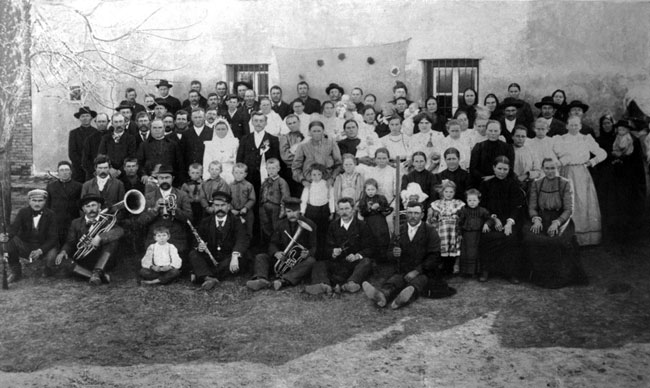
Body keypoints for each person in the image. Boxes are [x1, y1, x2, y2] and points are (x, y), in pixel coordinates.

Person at [362, 201, 440, 309]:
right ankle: (382, 296)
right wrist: (394, 254)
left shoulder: (430, 231)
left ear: (422, 215)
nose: (413, 216)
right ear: (406, 214)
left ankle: (403, 299)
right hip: (403, 270)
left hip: (423, 271)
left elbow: (434, 257)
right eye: (410, 213)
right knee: (394, 282)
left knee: (416, 284)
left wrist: (417, 271)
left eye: (416, 213)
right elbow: (389, 253)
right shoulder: (400, 230)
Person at [523, 158, 587, 288]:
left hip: (560, 219)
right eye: (547, 168)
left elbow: (569, 209)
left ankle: (560, 276)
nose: (550, 171)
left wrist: (557, 223)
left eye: (553, 168)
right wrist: (535, 219)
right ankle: (539, 275)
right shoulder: (537, 183)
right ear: (542, 169)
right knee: (532, 237)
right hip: (541, 218)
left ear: (557, 168)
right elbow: (532, 207)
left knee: (557, 240)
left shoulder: (565, 183)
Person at [553, 116, 606, 246]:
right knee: (568, 202)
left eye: (576, 125)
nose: (574, 127)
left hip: (582, 173)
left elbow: (602, 153)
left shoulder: (586, 138)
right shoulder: (560, 139)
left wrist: (592, 162)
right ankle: (566, 237)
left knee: (582, 202)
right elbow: (553, 154)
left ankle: (585, 239)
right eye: (571, 125)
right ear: (566, 126)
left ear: (580, 126)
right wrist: (558, 163)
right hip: (565, 172)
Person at [306, 197, 374, 295]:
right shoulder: (333, 226)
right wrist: (332, 252)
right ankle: (323, 285)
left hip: (354, 264)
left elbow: (370, 248)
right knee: (319, 264)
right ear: (337, 211)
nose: (344, 212)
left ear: (353, 209)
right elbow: (326, 248)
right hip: (337, 263)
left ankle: (351, 283)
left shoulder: (362, 225)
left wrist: (356, 256)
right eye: (341, 209)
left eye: (347, 208)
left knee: (366, 262)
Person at [246, 197, 317, 291]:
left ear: (300, 210)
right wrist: (276, 253)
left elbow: (314, 246)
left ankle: (283, 281)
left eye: (295, 211)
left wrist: (308, 253)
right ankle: (261, 279)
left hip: (298, 263)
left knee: (311, 261)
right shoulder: (280, 224)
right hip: (283, 259)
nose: (292, 214)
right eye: (289, 211)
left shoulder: (310, 224)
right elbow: (273, 243)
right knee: (261, 257)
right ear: (285, 211)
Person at [52, 194, 124, 285]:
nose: (91, 209)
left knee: (113, 241)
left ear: (99, 206)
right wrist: (63, 251)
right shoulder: (76, 223)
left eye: (93, 205)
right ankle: (95, 276)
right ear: (83, 209)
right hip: (84, 260)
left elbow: (119, 231)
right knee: (61, 260)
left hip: (101, 258)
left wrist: (99, 237)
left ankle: (98, 271)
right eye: (88, 206)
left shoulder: (106, 220)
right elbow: (70, 242)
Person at [189, 191, 250, 290]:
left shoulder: (236, 221)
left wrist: (235, 256)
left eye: (223, 205)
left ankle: (202, 275)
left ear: (229, 206)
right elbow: (197, 240)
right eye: (217, 205)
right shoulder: (206, 221)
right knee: (193, 254)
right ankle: (209, 278)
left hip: (228, 257)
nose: (220, 208)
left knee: (241, 258)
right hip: (211, 256)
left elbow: (242, 240)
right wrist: (200, 246)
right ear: (213, 206)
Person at [478, 156, 524, 283]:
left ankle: (510, 272)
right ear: (493, 168)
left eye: (505, 169)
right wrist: (494, 219)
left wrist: (509, 223)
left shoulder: (514, 184)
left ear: (509, 169)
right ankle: (486, 270)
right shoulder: (486, 184)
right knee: (488, 236)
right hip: (491, 218)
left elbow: (517, 206)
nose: (502, 172)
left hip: (510, 219)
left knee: (511, 237)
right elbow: (483, 206)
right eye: (499, 168)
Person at [602, 120, 647, 242]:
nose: (621, 130)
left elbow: (636, 161)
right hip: (618, 176)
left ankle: (632, 233)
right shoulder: (615, 139)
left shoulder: (634, 141)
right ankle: (618, 232)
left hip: (630, 177)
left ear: (628, 129)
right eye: (619, 128)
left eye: (623, 128)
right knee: (618, 203)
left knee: (630, 203)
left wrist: (623, 161)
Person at [0, 189, 58, 283]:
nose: (37, 203)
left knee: (52, 255)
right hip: (26, 245)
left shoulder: (51, 215)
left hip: (43, 247)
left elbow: (53, 238)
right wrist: (6, 236)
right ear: (29, 201)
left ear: (45, 201)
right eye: (34, 200)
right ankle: (16, 272)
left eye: (40, 201)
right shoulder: (23, 212)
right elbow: (14, 228)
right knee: (9, 242)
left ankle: (48, 269)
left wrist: (40, 250)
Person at [137, 165, 192, 258]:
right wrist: (155, 209)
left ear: (173, 178)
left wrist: (174, 210)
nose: (164, 180)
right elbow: (141, 221)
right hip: (155, 238)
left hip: (176, 238)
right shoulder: (149, 196)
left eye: (167, 178)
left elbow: (189, 218)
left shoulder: (182, 195)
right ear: (157, 179)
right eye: (161, 178)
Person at [427, 180, 464, 275]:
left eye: (451, 192)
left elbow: (462, 216)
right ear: (442, 192)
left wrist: (458, 218)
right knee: (442, 247)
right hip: (442, 229)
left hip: (453, 230)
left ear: (454, 192)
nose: (448, 194)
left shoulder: (458, 203)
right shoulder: (437, 204)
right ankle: (442, 267)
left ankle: (451, 267)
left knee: (452, 247)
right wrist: (433, 217)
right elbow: (433, 218)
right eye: (446, 191)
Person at [292, 120, 342, 186]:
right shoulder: (303, 146)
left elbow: (339, 164)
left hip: (327, 181)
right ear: (309, 132)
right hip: (309, 181)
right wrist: (303, 180)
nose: (316, 133)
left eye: (319, 131)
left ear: (323, 131)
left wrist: (332, 178)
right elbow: (296, 167)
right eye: (314, 131)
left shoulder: (331, 144)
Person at [300, 163, 335, 260]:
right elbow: (304, 199)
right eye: (314, 175)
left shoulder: (327, 184)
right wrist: (302, 212)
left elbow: (331, 198)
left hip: (324, 211)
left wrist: (332, 212)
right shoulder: (309, 185)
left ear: (322, 174)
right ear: (310, 175)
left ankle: (322, 254)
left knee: (322, 233)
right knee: (312, 233)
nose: (316, 177)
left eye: (319, 174)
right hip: (312, 211)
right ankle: (312, 255)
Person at [137, 118, 184, 187]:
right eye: (154, 128)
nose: (157, 130)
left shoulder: (173, 145)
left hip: (170, 180)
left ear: (164, 129)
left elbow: (179, 164)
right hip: (150, 181)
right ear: (150, 129)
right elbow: (139, 163)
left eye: (160, 127)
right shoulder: (144, 145)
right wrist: (143, 175)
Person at [46, 161, 83, 245]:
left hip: (72, 221)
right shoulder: (51, 186)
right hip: (56, 222)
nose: (64, 172)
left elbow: (81, 205)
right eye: (61, 170)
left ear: (71, 172)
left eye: (67, 170)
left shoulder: (79, 186)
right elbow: (47, 205)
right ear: (58, 172)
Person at [469, 120, 514, 187]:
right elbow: (473, 169)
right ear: (486, 131)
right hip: (482, 182)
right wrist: (484, 178)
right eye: (490, 130)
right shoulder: (479, 147)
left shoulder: (507, 148)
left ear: (500, 131)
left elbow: (510, 168)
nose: (493, 133)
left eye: (496, 131)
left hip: (502, 182)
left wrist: (494, 177)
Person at [457, 189, 491, 277]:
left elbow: (489, 219)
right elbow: (459, 223)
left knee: (475, 252)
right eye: (469, 200)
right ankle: (466, 271)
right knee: (466, 252)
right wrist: (459, 233)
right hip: (466, 235)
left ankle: (475, 272)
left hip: (477, 235)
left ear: (479, 200)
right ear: (466, 201)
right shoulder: (464, 211)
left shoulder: (482, 211)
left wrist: (487, 224)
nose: (472, 202)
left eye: (474, 200)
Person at [358, 178, 391, 261]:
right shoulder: (363, 200)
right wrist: (369, 209)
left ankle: (383, 258)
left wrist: (379, 208)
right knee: (371, 239)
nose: (370, 192)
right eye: (368, 189)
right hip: (369, 222)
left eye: (373, 189)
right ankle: (372, 258)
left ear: (376, 189)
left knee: (381, 238)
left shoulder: (381, 198)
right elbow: (362, 213)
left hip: (380, 223)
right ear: (365, 190)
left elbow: (387, 209)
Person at [259, 158, 290, 243]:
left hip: (276, 208)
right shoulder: (265, 182)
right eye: (269, 168)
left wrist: (283, 210)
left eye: (273, 168)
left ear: (278, 169)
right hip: (265, 207)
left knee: (276, 226)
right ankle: (267, 244)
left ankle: (276, 244)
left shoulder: (281, 182)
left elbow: (285, 196)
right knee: (265, 225)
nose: (271, 170)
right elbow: (261, 194)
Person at [202, 119, 239, 184]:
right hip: (214, 172)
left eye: (223, 129)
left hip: (230, 171)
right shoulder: (210, 144)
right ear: (215, 130)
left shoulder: (234, 143)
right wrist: (207, 176)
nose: (221, 131)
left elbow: (236, 160)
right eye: (218, 129)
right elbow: (206, 161)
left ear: (227, 130)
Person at [279, 114, 306, 196]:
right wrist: (302, 159)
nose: (292, 125)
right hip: (292, 171)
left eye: (294, 122)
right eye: (289, 123)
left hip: (308, 170)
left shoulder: (307, 136)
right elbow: (286, 156)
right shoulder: (285, 138)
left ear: (299, 122)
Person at [68, 106, 98, 182]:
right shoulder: (74, 133)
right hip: (78, 169)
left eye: (87, 116)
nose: (85, 118)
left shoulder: (96, 132)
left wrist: (91, 166)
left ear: (91, 117)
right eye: (82, 116)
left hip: (93, 169)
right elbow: (72, 152)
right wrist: (83, 165)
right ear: (79, 118)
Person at [512, 125, 542, 193]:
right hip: (512, 184)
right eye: (517, 136)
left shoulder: (531, 151)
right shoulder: (508, 150)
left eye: (523, 136)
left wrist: (527, 175)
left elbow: (538, 171)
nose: (520, 139)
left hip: (528, 185)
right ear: (513, 137)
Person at [81, 113, 111, 181]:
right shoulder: (89, 139)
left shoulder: (112, 137)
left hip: (111, 174)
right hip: (93, 174)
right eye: (99, 122)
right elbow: (85, 160)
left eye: (103, 121)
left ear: (108, 122)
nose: (101, 124)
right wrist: (95, 171)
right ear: (95, 122)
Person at [230, 163, 256, 238]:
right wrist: (231, 209)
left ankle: (247, 245)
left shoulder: (249, 185)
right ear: (232, 173)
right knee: (235, 229)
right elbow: (227, 199)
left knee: (247, 229)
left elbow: (252, 199)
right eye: (236, 172)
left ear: (245, 174)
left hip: (246, 213)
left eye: (241, 173)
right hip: (234, 212)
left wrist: (246, 208)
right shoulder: (230, 185)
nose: (238, 175)